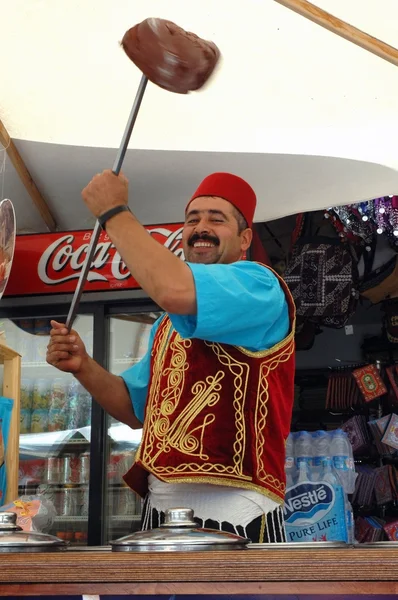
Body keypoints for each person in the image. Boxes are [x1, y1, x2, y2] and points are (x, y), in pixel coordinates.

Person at [47, 170, 296, 542]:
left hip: (239, 510)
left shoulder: (260, 284)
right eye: (192, 219)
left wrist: (114, 211)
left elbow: (174, 288)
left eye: (216, 218)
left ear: (245, 239)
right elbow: (136, 410)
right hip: (159, 513)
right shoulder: (167, 323)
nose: (201, 227)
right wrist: (83, 366)